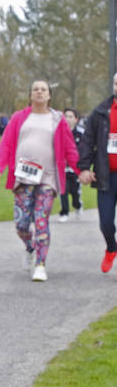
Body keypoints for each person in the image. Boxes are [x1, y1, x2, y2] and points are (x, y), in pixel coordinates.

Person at [0, 80, 79, 282]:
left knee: (41, 219)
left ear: (49, 95)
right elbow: (5, 145)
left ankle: (40, 263)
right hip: (23, 177)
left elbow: (69, 148)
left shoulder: (57, 119)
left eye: (43, 89)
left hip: (47, 178)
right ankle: (30, 248)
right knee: (21, 224)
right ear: (30, 95)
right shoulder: (19, 117)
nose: (39, 92)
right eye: (35, 89)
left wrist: (80, 170)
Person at [79, 72, 117, 273]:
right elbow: (87, 141)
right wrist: (84, 168)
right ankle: (112, 248)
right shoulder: (101, 112)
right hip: (107, 176)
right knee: (105, 222)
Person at [57, 107, 83, 222]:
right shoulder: (58, 132)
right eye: (65, 116)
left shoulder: (80, 134)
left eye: (70, 117)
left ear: (76, 119)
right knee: (63, 190)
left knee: (74, 192)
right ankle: (64, 212)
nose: (67, 119)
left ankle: (77, 205)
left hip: (75, 169)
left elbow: (83, 150)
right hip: (62, 168)